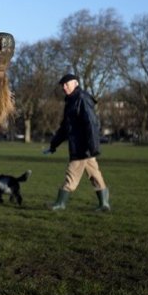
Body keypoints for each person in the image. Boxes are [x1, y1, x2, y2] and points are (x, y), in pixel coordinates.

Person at [43, 74, 110, 211]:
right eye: (63, 85)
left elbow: (91, 123)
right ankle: (104, 204)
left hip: (81, 147)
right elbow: (65, 128)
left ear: (76, 83)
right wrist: (53, 145)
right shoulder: (71, 101)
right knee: (95, 175)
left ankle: (60, 204)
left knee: (71, 176)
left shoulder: (81, 99)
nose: (64, 87)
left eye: (67, 84)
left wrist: (93, 146)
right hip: (84, 147)